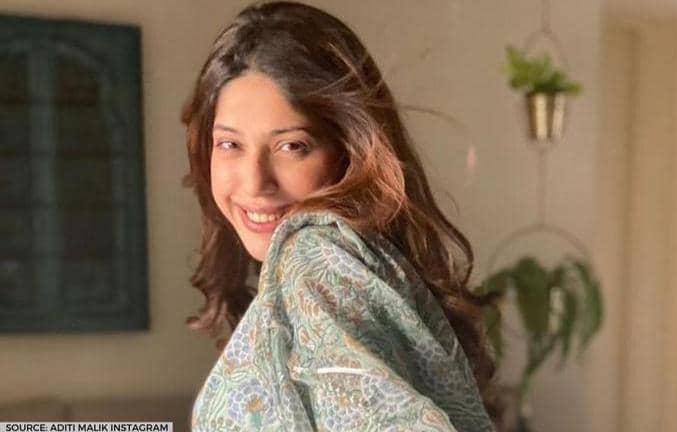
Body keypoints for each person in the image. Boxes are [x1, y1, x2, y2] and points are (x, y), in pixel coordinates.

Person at [181, 1, 498, 430]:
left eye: (291, 146)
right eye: (230, 144)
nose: (255, 182)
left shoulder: (316, 258)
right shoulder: (355, 259)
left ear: (348, 151)